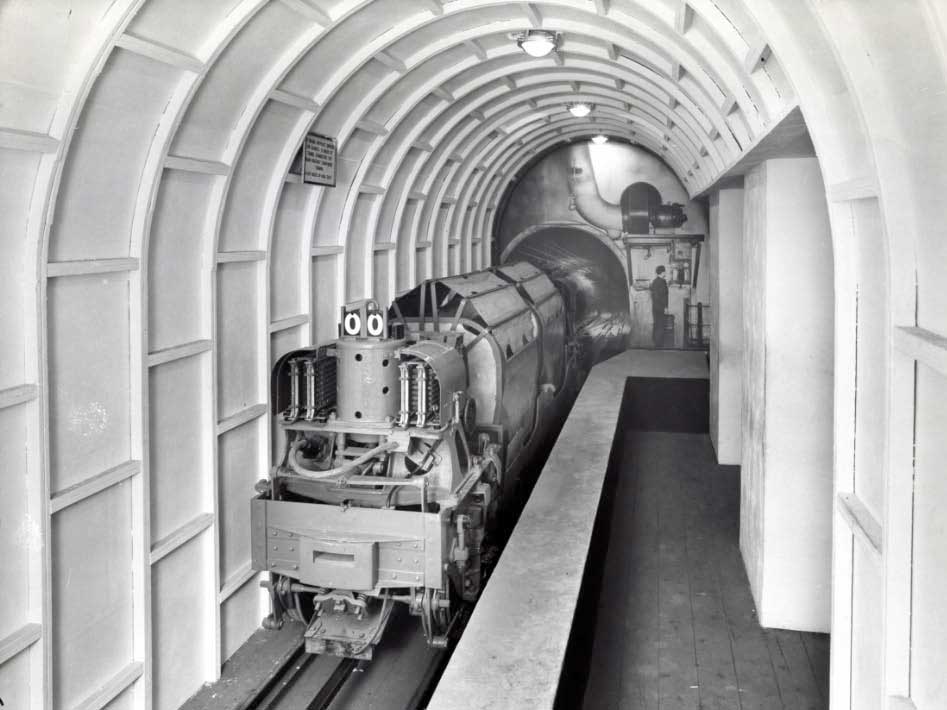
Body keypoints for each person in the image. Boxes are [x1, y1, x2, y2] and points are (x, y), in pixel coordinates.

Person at [650, 265, 669, 347]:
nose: (666, 273)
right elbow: (662, 296)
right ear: (662, 272)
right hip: (660, 308)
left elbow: (655, 296)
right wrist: (665, 307)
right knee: (661, 326)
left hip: (655, 307)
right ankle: (659, 346)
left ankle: (656, 344)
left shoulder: (654, 281)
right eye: (665, 271)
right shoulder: (662, 282)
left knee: (657, 325)